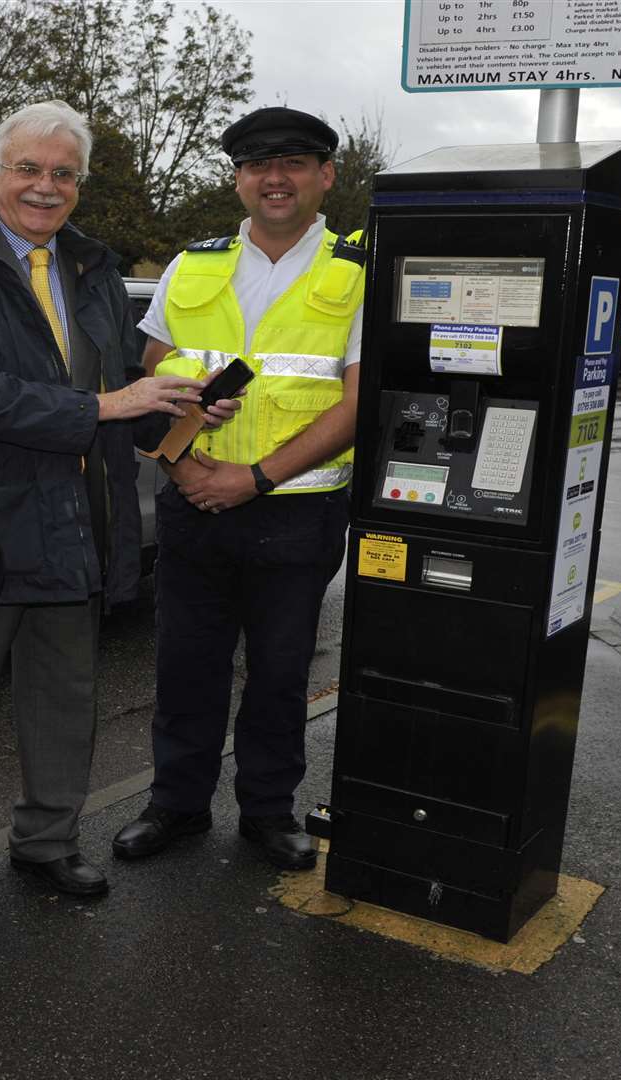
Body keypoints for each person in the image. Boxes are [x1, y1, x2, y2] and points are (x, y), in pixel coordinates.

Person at [0, 100, 206, 909]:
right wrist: (106, 408)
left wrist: (178, 402)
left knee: (65, 701)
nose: (44, 186)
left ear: (79, 186)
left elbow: (121, 374)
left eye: (63, 174)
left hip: (76, 523)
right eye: (27, 168)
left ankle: (48, 842)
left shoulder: (92, 268)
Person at [112, 106, 365, 872]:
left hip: (296, 509)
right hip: (193, 503)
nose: (275, 178)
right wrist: (187, 471)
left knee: (281, 675)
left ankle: (267, 811)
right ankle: (177, 806)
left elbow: (362, 397)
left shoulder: (358, 270)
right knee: (186, 669)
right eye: (258, 164)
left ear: (326, 176)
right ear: (238, 179)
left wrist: (253, 480)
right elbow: (153, 379)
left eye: (293, 162)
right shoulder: (194, 265)